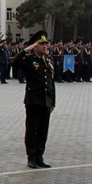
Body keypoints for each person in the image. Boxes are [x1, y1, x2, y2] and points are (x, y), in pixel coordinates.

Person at [10, 30, 56, 169]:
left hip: (45, 101)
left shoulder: (47, 60)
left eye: (46, 44)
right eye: (42, 44)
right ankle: (31, 157)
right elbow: (14, 62)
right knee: (32, 130)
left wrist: (52, 102)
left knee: (43, 131)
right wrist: (25, 50)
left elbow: (50, 83)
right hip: (33, 101)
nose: (45, 46)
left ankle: (39, 157)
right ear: (35, 46)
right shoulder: (29, 60)